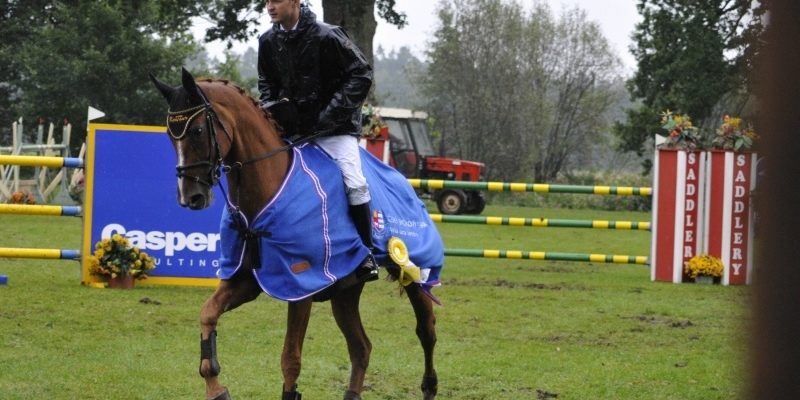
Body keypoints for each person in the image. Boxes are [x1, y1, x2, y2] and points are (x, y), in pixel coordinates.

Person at [257, 0, 378, 282]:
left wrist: (328, 116)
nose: (270, 6)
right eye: (266, 1)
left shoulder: (329, 35)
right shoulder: (267, 41)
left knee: (354, 182)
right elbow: (266, 85)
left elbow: (361, 74)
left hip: (335, 130)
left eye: (276, 0)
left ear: (295, 1)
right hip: (292, 132)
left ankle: (365, 254)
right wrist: (275, 112)